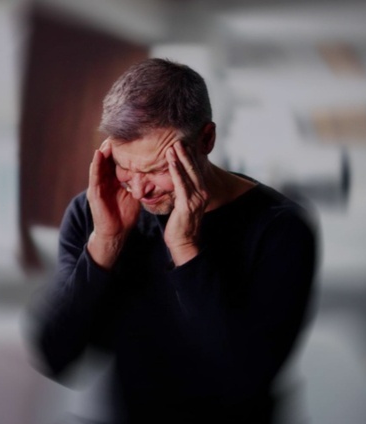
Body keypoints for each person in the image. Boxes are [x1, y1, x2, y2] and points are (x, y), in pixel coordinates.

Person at [29, 58, 317, 423]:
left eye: (156, 169)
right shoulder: (96, 212)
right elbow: (56, 355)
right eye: (124, 166)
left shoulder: (282, 229)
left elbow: (244, 380)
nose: (138, 189)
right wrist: (106, 243)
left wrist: (185, 249)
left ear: (206, 139)